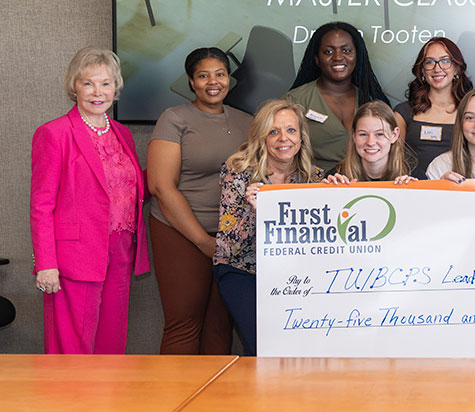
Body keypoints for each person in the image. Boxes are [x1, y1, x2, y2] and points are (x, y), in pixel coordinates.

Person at [30, 47, 150, 353]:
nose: (98, 92)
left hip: (120, 251)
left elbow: (128, 189)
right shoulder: (54, 134)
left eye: (106, 83)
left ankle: (106, 401)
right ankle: (71, 401)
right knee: (74, 345)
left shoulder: (122, 133)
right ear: (74, 87)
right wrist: (46, 264)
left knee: (112, 341)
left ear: (116, 88)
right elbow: (41, 205)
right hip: (75, 256)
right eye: (88, 83)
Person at [148, 48, 252, 355]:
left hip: (232, 237)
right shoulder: (175, 119)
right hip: (178, 231)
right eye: (203, 75)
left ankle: (213, 402)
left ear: (229, 79)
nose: (212, 82)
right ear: (192, 82)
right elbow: (161, 187)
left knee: (221, 325)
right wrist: (203, 241)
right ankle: (173, 401)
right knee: (184, 323)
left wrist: (224, 242)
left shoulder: (249, 122)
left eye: (220, 74)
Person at [213, 99, 322, 356]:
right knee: (261, 345)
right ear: (261, 137)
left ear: (301, 136)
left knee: (301, 346)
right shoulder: (238, 172)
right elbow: (227, 247)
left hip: (293, 276)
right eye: (273, 131)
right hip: (243, 270)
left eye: (291, 130)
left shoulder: (313, 178)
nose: (283, 138)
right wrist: (253, 212)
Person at [286, 21, 390, 172]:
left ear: (357, 56)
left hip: (364, 188)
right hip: (313, 187)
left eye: (346, 51)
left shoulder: (373, 103)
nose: (338, 57)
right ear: (316, 59)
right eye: (328, 52)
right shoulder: (294, 100)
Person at [395, 37, 474, 178]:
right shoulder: (403, 112)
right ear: (422, 71)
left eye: (445, 61)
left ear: (456, 68)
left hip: (458, 192)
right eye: (430, 62)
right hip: (413, 191)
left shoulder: (470, 111)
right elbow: (392, 161)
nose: (437, 68)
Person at [325, 101, 417, 185]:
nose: (371, 142)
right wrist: (325, 192)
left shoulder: (414, 176)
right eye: (363, 134)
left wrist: (413, 192)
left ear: (394, 135)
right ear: (354, 136)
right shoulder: (336, 178)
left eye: (380, 134)